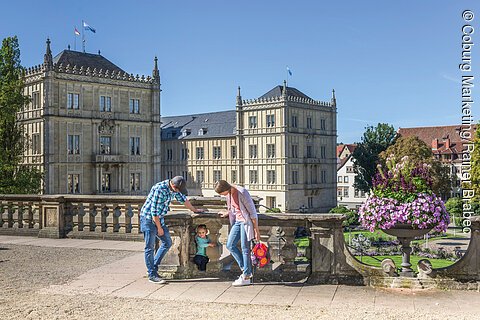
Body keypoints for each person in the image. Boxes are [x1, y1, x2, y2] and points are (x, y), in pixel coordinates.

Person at [140, 176, 205, 284]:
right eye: (178, 190)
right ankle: (152, 275)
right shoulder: (159, 189)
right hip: (148, 219)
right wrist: (159, 228)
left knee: (167, 242)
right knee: (149, 248)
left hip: (159, 218)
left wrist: (195, 210)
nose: (179, 192)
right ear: (173, 186)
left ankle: (153, 268)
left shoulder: (174, 189)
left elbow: (183, 200)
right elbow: (154, 212)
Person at [215, 180, 260, 287]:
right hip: (237, 222)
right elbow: (234, 208)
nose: (222, 196)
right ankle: (245, 269)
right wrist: (227, 212)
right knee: (230, 245)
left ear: (226, 189)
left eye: (222, 193)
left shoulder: (242, 192)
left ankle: (246, 276)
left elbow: (253, 213)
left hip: (245, 222)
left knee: (245, 249)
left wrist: (256, 230)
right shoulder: (229, 194)